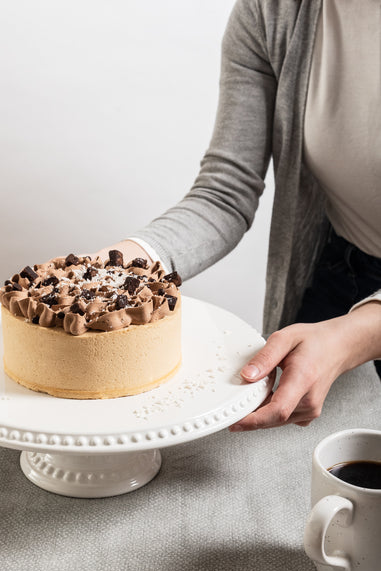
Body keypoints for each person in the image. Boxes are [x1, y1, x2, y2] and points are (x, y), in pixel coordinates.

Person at [73, 0, 381, 431]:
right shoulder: (271, 12)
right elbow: (225, 191)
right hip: (340, 277)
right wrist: (124, 266)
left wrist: (360, 333)